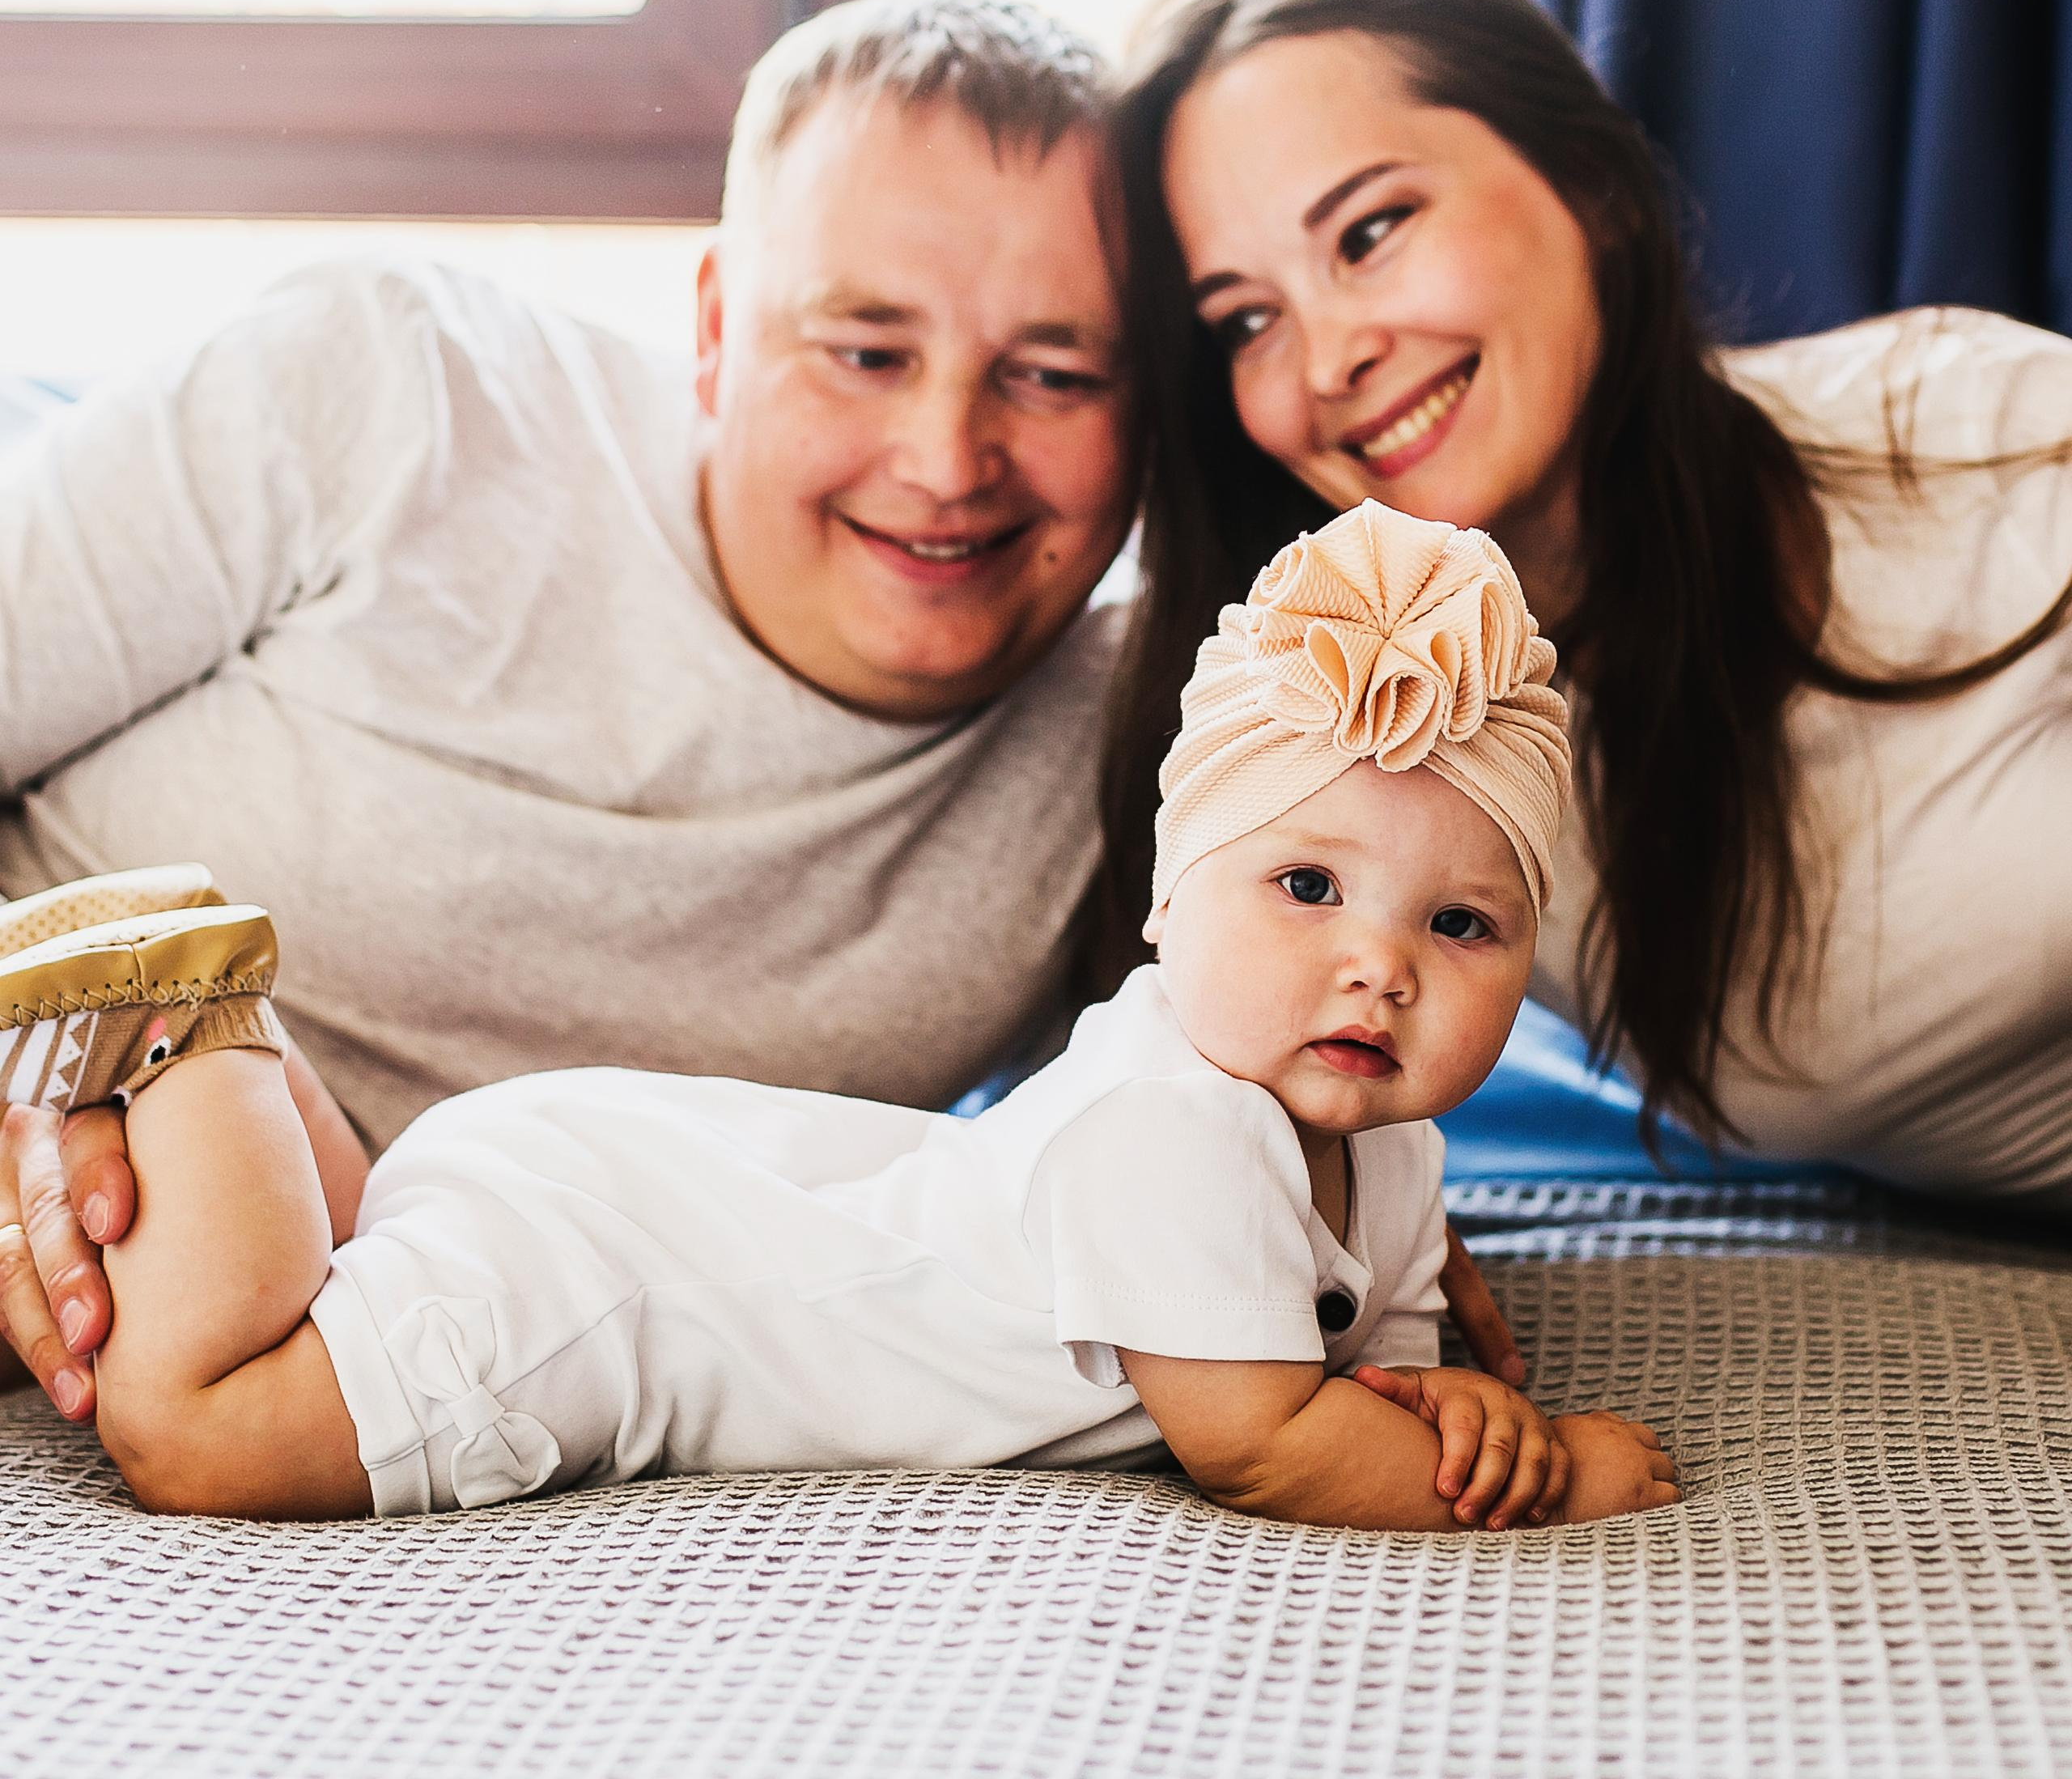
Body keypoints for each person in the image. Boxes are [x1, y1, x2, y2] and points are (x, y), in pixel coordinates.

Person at [0, 500, 1676, 1530]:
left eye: (1458, 922)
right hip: (601, 1284)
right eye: (1306, 887)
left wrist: (1446, 1402)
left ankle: (244, 1054)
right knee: (204, 1424)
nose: (1378, 962)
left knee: (334, 1272)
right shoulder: (1174, 1126)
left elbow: (1368, 1387)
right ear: (1166, 898)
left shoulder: (1388, 1159)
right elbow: (1265, 1441)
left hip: (611, 1172)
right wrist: (1553, 1471)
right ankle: (195, 1015)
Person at [0, 0, 1137, 1420]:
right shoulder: (392, 385)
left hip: (314, 1334)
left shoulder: (1154, 737)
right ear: (720, 329)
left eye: (1055, 375)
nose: (948, 457)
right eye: (866, 350)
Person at [1098, 0, 2072, 1205]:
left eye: (1373, 229)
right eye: (1247, 320)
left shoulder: (1987, 446)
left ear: (1591, 186)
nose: (1329, 356)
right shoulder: (1340, 722)